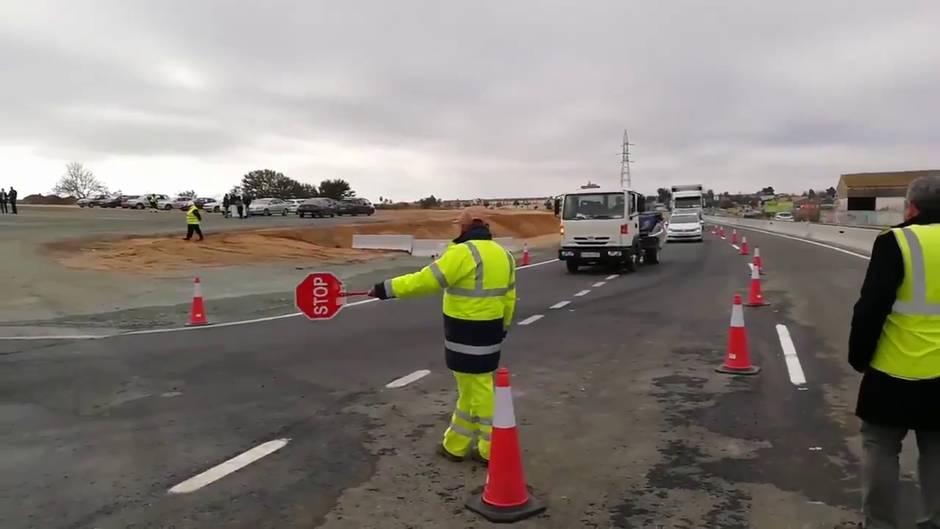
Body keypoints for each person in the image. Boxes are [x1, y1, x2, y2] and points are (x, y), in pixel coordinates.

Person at [368, 207, 516, 463]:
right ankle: (455, 445)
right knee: (471, 388)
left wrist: (385, 289)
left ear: (467, 227)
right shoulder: (504, 255)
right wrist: (502, 327)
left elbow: (426, 280)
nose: (456, 228)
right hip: (490, 329)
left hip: (465, 331)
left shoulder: (463, 253)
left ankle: (492, 449)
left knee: (478, 389)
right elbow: (510, 297)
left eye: (458, 224)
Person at [850, 174, 940, 529]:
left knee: (880, 449)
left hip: (892, 370)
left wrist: (859, 356)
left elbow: (871, 307)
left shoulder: (895, 241)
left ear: (911, 206)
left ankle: (879, 523)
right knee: (937, 453)